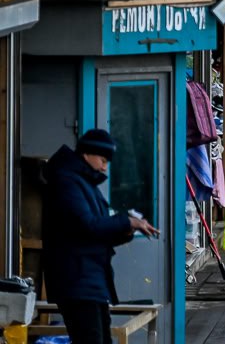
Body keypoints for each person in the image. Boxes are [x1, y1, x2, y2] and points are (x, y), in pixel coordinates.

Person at [43, 129, 160, 344]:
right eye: (102, 160)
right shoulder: (67, 182)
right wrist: (127, 222)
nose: (104, 167)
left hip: (90, 279)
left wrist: (126, 231)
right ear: (87, 153)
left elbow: (93, 232)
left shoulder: (82, 182)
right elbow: (87, 225)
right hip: (77, 280)